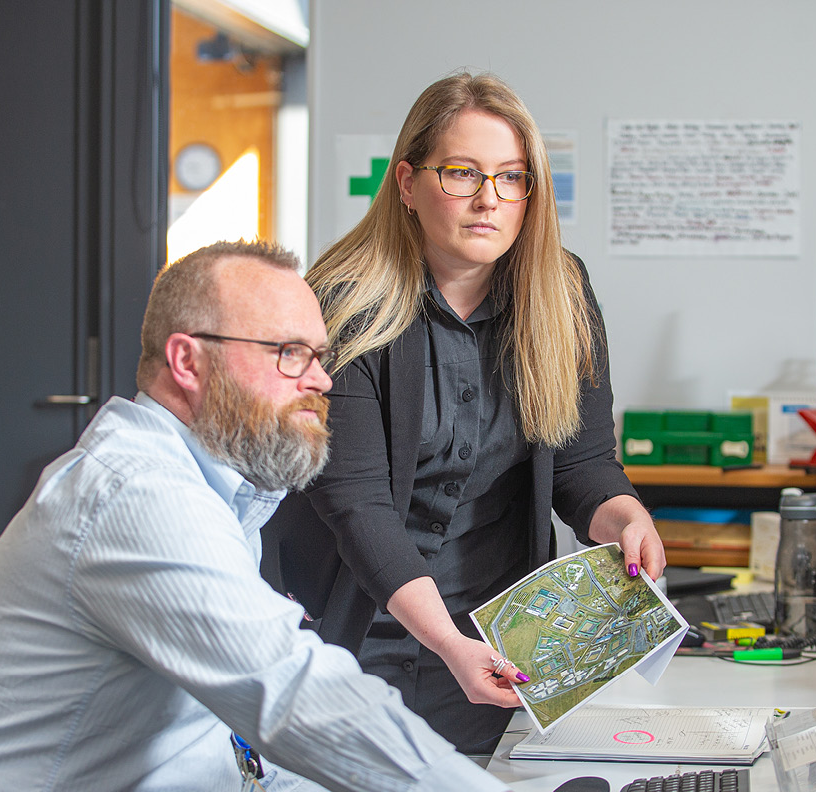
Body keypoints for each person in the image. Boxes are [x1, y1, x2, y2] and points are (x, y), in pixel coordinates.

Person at [0, 240, 511, 792]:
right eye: (290, 354)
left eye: (319, 356)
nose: (322, 380)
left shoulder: (219, 494)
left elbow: (237, 748)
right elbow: (295, 697)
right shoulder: (139, 496)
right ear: (188, 363)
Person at [262, 73, 667, 754]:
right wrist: (446, 641)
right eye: (462, 173)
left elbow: (583, 464)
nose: (489, 199)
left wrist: (625, 516)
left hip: (499, 646)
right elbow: (359, 505)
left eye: (512, 178)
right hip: (359, 634)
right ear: (407, 184)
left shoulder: (561, 294)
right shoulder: (341, 304)